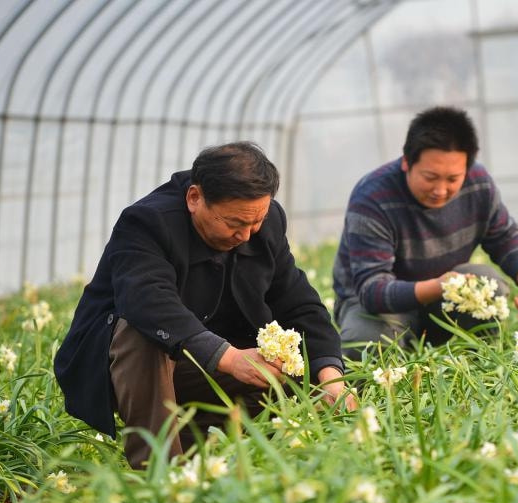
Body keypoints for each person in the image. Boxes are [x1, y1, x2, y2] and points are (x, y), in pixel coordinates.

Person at [55, 141, 356, 469]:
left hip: (218, 364)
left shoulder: (263, 224)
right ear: (194, 198)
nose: (246, 234)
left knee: (311, 373)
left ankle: (227, 447)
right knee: (142, 332)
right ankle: (161, 473)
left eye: (256, 222)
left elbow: (298, 303)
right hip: (137, 370)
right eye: (234, 223)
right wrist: (228, 358)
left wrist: (330, 374)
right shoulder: (147, 222)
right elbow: (147, 301)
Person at [332, 106, 518, 360]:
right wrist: (438, 286)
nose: (441, 190)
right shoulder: (373, 197)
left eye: (453, 178)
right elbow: (372, 290)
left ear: (467, 166)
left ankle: (470, 361)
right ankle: (403, 354)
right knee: (366, 343)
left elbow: (504, 237)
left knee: (490, 287)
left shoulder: (478, 184)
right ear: (406, 162)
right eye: (430, 177)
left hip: (443, 295)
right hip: (380, 307)